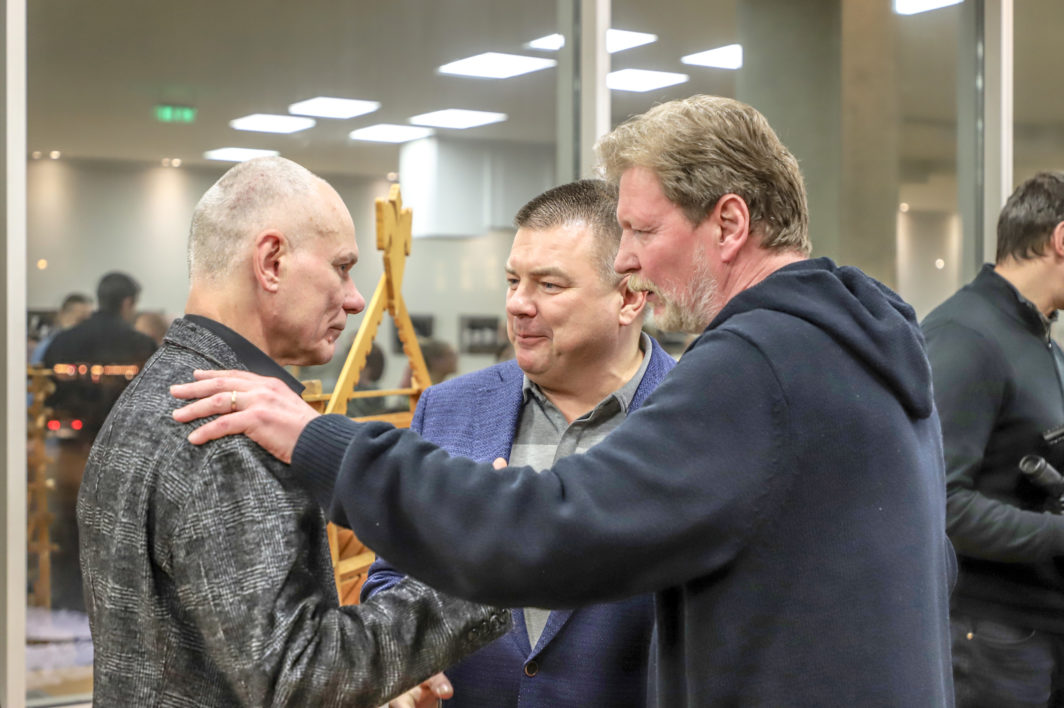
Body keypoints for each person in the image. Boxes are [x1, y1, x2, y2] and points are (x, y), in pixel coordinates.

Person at [171, 95, 956, 706]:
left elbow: (552, 527)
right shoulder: (858, 348)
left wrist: (321, 444)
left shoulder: (757, 364)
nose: (628, 259)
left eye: (642, 230)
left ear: (728, 223)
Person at [78, 156, 509, 707]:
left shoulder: (153, 392)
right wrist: (477, 574)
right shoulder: (226, 433)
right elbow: (298, 677)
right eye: (342, 267)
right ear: (272, 262)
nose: (355, 298)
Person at [362, 179, 674, 707]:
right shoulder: (448, 410)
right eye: (512, 281)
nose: (518, 304)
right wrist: (402, 659)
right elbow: (393, 573)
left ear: (628, 297)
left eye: (548, 285)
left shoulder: (694, 418)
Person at [922, 171, 1064, 707]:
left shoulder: (1039, 340)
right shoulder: (965, 337)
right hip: (991, 640)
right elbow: (940, 504)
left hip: (1038, 629)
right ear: (1061, 239)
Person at [30, 292, 93, 365]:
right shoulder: (47, 345)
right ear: (63, 315)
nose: (86, 326)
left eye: (88, 321)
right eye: (81, 320)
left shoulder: (88, 346)